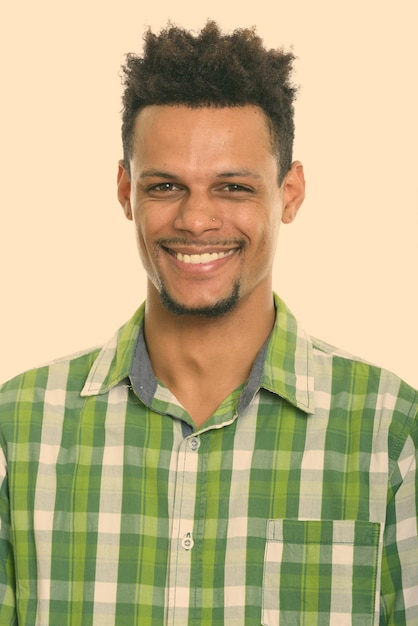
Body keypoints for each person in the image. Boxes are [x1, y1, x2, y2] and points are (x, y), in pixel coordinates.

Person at [0, 21, 417, 626]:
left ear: (290, 192)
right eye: (166, 185)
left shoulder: (389, 434)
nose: (197, 220)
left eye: (233, 187)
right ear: (125, 191)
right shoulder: (20, 432)